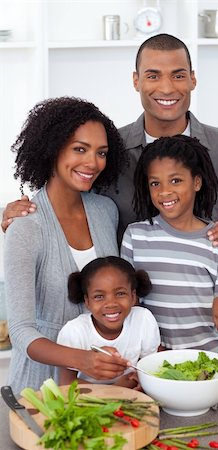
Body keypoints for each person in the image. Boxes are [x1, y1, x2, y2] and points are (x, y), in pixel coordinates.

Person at [1, 33, 218, 265]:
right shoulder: (107, 150)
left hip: (200, 313)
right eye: (153, 76)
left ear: (193, 80)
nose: (166, 87)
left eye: (178, 75)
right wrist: (23, 216)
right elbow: (64, 205)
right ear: (136, 81)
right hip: (121, 314)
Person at [4, 96, 132, 393]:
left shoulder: (105, 211)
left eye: (101, 153)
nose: (92, 163)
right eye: (79, 149)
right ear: (52, 148)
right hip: (41, 388)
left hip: (104, 385)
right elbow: (20, 331)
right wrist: (81, 359)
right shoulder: (24, 227)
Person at [121, 135, 218, 357]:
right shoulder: (135, 236)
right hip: (154, 359)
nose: (164, 191)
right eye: (155, 183)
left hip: (207, 358)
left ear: (196, 182)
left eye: (175, 180)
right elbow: (131, 300)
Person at [57, 256, 160, 387]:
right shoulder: (74, 331)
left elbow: (148, 369)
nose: (111, 304)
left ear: (133, 296)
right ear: (87, 301)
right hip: (88, 403)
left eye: (120, 294)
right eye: (99, 296)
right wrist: (116, 390)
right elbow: (66, 384)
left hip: (131, 399)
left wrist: (138, 379)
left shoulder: (144, 320)